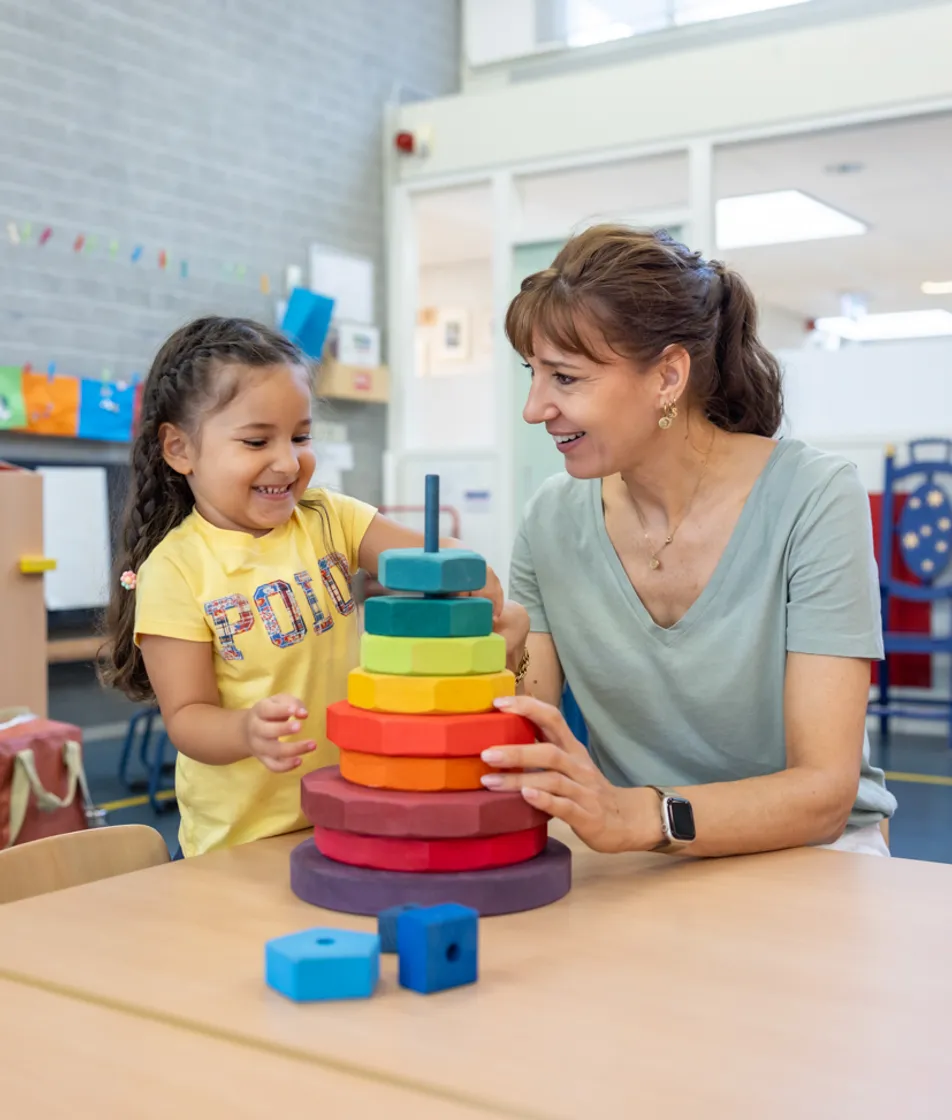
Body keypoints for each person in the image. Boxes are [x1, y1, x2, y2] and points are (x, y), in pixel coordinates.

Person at [480, 226, 896, 859]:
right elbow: (531, 744)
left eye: (565, 378)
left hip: (809, 856)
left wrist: (642, 816)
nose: (535, 408)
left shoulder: (815, 497)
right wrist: (488, 661)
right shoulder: (551, 519)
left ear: (669, 376)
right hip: (637, 856)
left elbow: (824, 794)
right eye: (532, 374)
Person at [100, 316, 514, 858]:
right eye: (256, 441)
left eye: (300, 436)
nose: (288, 461)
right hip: (243, 843)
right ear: (180, 450)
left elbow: (453, 573)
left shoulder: (329, 518)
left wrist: (460, 574)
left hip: (353, 811)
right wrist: (247, 730)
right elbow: (188, 717)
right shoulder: (176, 569)